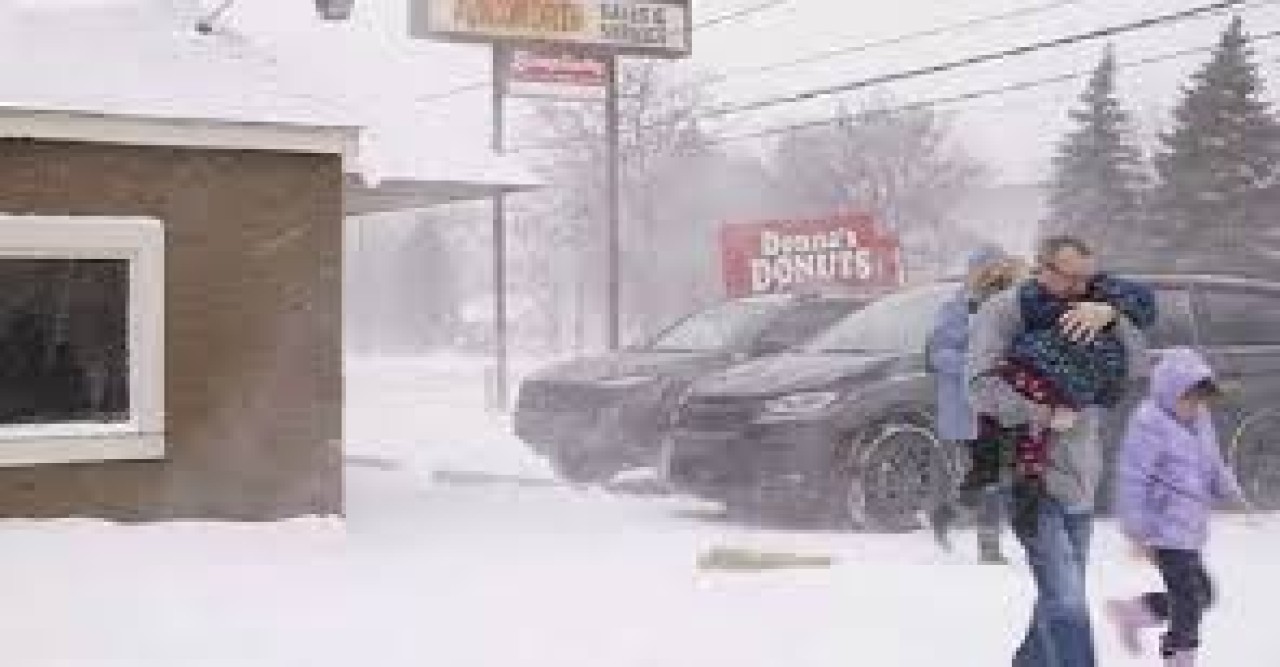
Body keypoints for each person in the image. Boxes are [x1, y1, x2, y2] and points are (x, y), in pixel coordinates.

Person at [968, 235, 1154, 667]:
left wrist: (1111, 315)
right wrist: (1043, 413)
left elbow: (1138, 366)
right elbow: (979, 389)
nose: (1080, 287)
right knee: (1067, 599)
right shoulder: (1003, 312)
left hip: (1081, 474)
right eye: (1070, 278)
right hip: (1028, 473)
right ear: (1043, 270)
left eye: (1087, 277)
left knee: (1058, 594)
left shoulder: (1098, 304)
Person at [969, 269, 1156, 539]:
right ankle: (997, 528)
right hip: (1027, 395)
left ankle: (1008, 516)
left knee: (1019, 459)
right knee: (1017, 459)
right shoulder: (1006, 320)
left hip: (1043, 395)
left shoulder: (1051, 309)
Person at [1106, 348, 1253, 667]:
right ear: (1169, 392)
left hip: (1189, 531)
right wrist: (1138, 532)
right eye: (1188, 399)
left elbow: (1213, 464)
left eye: (1200, 400)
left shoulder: (1200, 421)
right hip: (1163, 532)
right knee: (1188, 603)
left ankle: (1134, 613)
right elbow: (1132, 478)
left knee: (1203, 596)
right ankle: (1179, 660)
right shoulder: (1149, 423)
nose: (1194, 407)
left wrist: (1232, 493)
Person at [925, 245, 1022, 563]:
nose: (995, 276)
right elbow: (938, 353)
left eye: (1000, 270)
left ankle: (950, 513)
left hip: (1002, 403)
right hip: (969, 408)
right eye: (989, 270)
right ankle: (986, 544)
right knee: (987, 475)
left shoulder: (1012, 305)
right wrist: (974, 365)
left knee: (996, 474)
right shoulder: (956, 308)